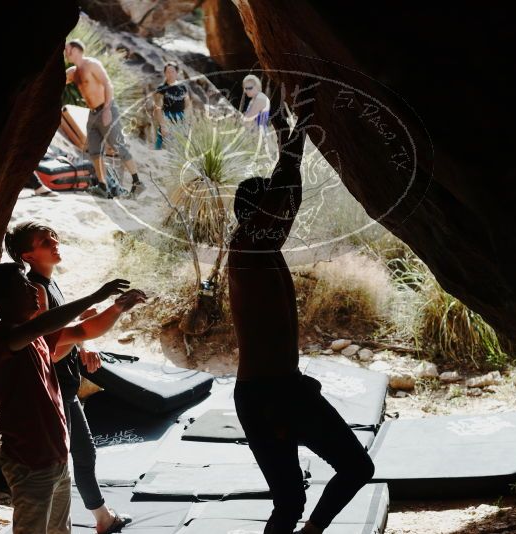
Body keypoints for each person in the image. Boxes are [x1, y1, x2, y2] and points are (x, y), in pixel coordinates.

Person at [227, 83, 374, 534]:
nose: (285, 209)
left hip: (278, 390)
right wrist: (290, 125)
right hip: (267, 395)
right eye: (272, 203)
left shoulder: (263, 247)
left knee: (315, 488)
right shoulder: (248, 247)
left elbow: (288, 191)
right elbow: (289, 182)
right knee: (302, 493)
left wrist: (290, 128)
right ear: (256, 214)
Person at [5, 222, 146, 533]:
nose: (55, 243)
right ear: (28, 255)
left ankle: (100, 517)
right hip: (53, 391)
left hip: (62, 387)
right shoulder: (37, 290)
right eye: (45, 241)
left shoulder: (48, 284)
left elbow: (68, 329)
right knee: (72, 459)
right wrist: (116, 307)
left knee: (77, 457)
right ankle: (101, 519)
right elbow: (53, 345)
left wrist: (85, 343)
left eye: (54, 237)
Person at [0, 264, 134, 533]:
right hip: (30, 459)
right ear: (3, 299)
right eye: (22, 285)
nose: (32, 289)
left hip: (55, 457)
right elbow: (41, 325)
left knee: (60, 529)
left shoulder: (37, 337)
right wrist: (94, 297)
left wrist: (116, 308)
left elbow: (84, 331)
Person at [64, 39, 144, 198]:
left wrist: (107, 109)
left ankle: (137, 183)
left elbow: (108, 84)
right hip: (92, 113)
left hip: (107, 109)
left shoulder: (92, 64)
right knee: (94, 150)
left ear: (77, 50)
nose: (65, 52)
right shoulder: (73, 72)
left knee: (118, 146)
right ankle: (102, 186)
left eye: (68, 49)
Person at [153, 61, 191, 150]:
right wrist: (162, 125)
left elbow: (188, 104)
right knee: (163, 144)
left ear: (177, 72)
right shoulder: (162, 88)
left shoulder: (183, 87)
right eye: (168, 72)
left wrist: (186, 119)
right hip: (167, 117)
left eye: (172, 71)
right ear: (165, 73)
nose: (170, 74)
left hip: (181, 118)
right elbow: (157, 108)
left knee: (181, 146)